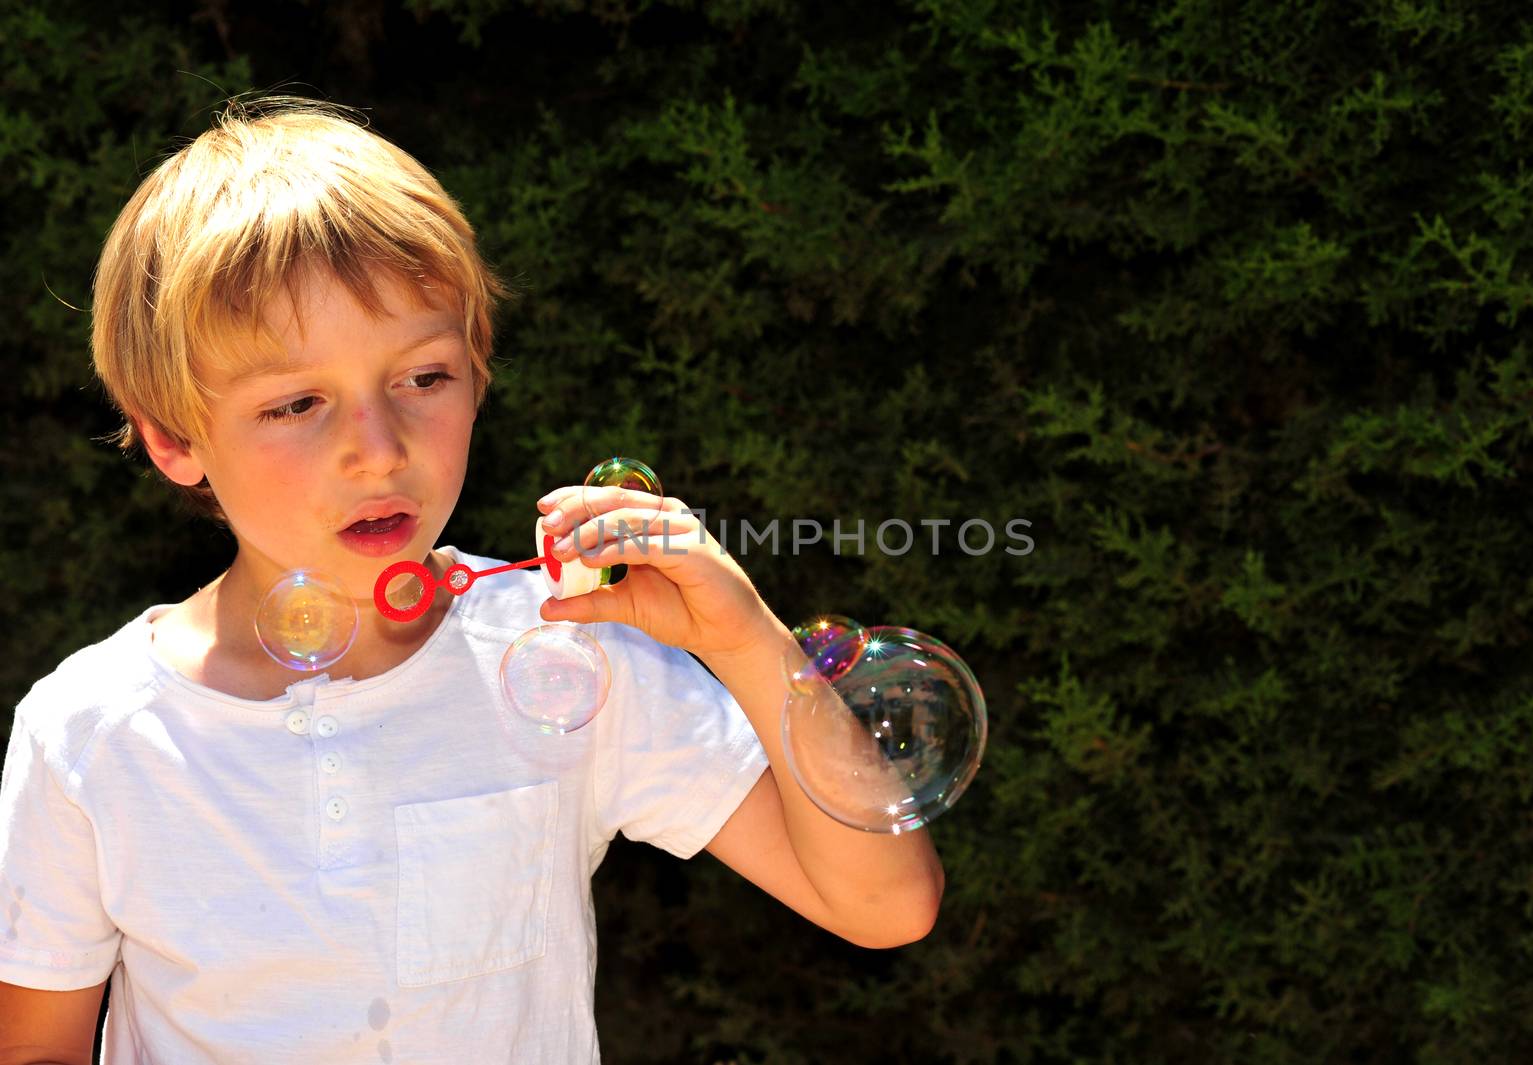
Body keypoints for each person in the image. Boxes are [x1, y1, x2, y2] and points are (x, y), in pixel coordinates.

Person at [0, 97, 943, 1064]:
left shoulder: (570, 646)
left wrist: (745, 641)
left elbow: (885, 902)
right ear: (171, 435)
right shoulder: (93, 732)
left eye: (424, 378)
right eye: (296, 403)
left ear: (478, 371)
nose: (378, 450)